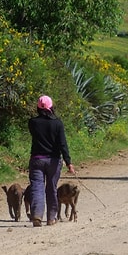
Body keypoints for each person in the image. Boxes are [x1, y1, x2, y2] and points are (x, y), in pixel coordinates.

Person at [28, 95, 75, 227]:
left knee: (37, 188)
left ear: (38, 107)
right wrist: (68, 162)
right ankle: (51, 218)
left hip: (37, 160)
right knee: (51, 189)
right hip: (54, 161)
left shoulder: (32, 122)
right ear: (51, 107)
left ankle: (37, 215)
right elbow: (62, 144)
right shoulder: (58, 123)